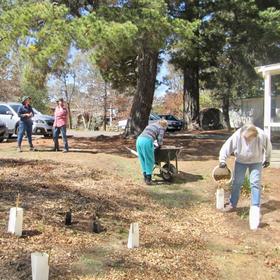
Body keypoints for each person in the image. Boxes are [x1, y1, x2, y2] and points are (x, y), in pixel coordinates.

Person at [219, 124, 272, 212]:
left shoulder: (261, 135)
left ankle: (255, 207)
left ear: (255, 136)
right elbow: (227, 146)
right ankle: (232, 204)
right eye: (245, 138)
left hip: (256, 161)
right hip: (241, 161)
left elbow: (268, 147)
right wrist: (222, 160)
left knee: (255, 183)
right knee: (237, 182)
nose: (246, 141)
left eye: (248, 139)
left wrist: (267, 159)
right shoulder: (238, 134)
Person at [136, 119, 168, 185]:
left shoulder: (151, 125)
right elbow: (160, 139)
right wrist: (160, 145)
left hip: (139, 140)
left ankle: (145, 177)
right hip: (146, 141)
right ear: (164, 125)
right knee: (149, 160)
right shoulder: (161, 128)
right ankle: (148, 179)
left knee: (143, 159)